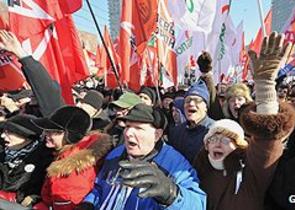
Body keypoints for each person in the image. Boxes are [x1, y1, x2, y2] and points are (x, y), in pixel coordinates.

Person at [193, 32, 295, 210]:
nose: (217, 142)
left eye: (226, 139)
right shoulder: (197, 175)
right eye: (213, 138)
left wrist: (265, 87)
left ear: (240, 146)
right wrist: (207, 75)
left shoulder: (250, 175)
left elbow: (265, 142)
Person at [77, 103, 206, 210]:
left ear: (157, 135)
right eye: (127, 126)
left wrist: (171, 193)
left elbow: (199, 204)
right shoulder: (115, 154)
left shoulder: (175, 164)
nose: (128, 133)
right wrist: (89, 203)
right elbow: (99, 187)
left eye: (138, 128)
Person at [31, 106, 112, 210]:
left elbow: (64, 204)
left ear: (69, 136)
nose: (46, 134)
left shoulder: (71, 171)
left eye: (53, 131)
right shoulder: (73, 152)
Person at [0, 115, 54, 208]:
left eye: (9, 132)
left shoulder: (43, 160)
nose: (3, 136)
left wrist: (33, 199)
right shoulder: (3, 153)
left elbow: (41, 191)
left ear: (26, 137)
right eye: (4, 131)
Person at [168, 80, 215, 163]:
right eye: (188, 100)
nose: (191, 104)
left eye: (197, 100)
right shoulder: (176, 132)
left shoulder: (215, 131)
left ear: (206, 107)